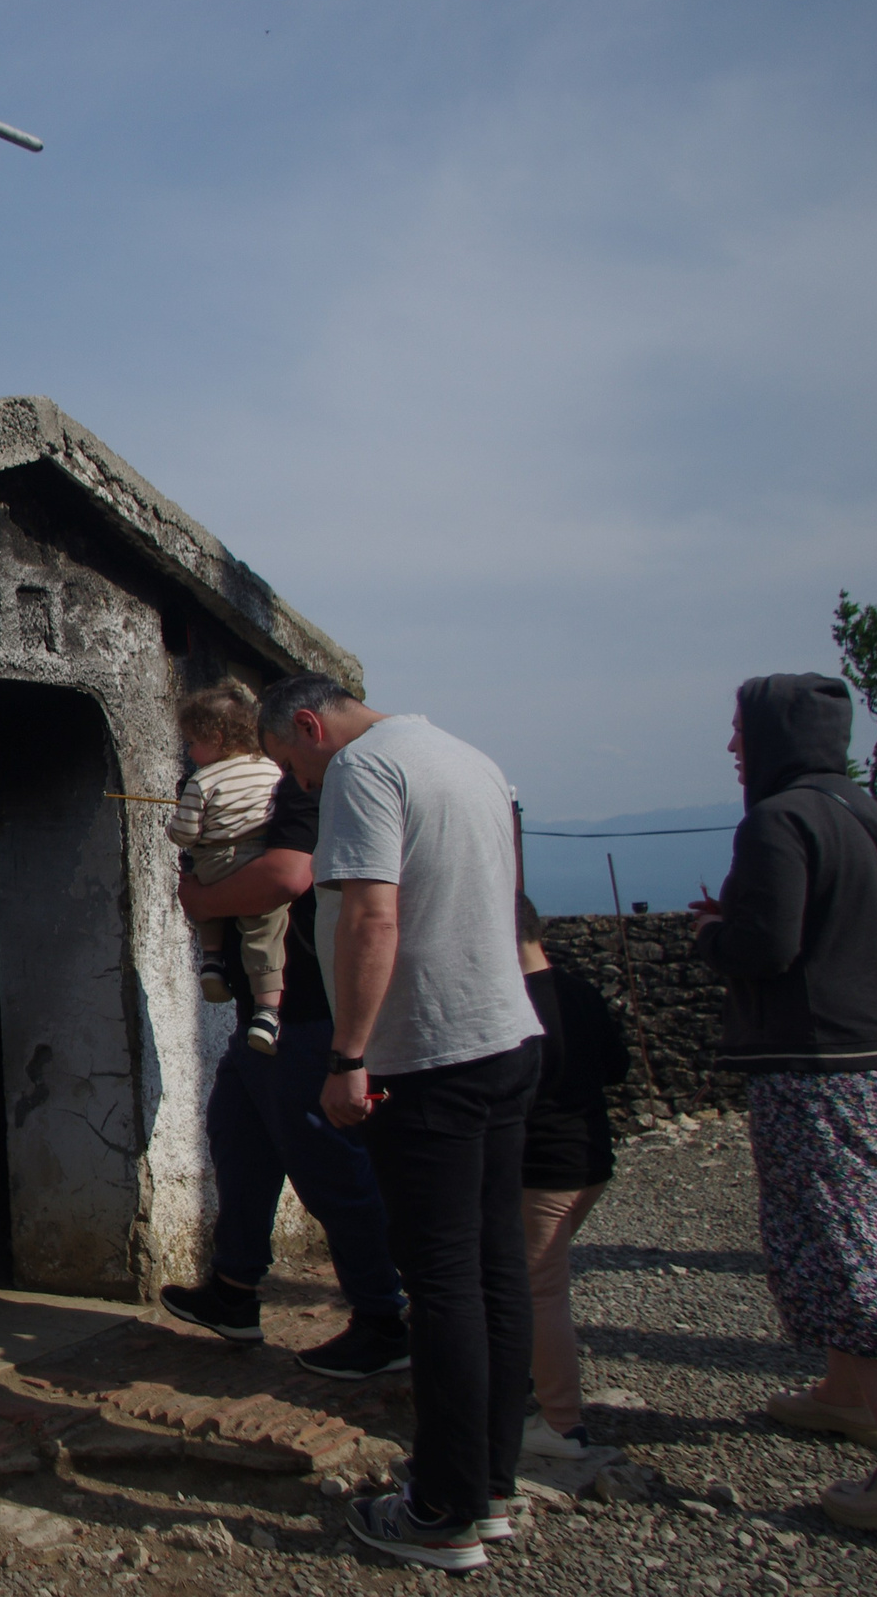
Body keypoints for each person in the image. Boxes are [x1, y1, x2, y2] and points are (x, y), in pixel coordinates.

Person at [260, 673, 543, 1573]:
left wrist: (349, 1056)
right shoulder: (470, 758)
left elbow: (371, 914)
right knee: (497, 1271)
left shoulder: (363, 772)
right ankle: (489, 1484)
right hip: (505, 1040)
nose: (299, 786)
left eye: (289, 763)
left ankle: (444, 1512)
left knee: (445, 1282)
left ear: (310, 725)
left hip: (429, 1058)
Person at [692, 674, 877, 1539]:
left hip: (829, 1061)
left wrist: (713, 937)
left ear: (773, 736)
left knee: (852, 1239)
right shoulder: (869, 814)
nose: (733, 748)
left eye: (740, 731)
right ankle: (847, 1394)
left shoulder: (779, 819)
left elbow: (768, 946)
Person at [159, 756, 409, 1383]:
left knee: (330, 1169)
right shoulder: (264, 791)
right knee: (238, 1141)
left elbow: (286, 877)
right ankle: (234, 1289)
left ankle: (384, 1320)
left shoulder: (295, 792)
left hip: (304, 1014)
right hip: (262, 1019)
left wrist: (201, 897)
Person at [513, 893, 629, 1462]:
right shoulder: (580, 991)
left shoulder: (510, 1006)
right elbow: (617, 1067)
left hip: (542, 1170)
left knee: (542, 1291)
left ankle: (562, 1423)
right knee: (531, 1282)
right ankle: (526, 1388)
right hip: (592, 1163)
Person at [169, 679, 287, 1054]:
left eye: (192, 742)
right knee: (265, 931)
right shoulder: (270, 769)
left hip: (216, 862)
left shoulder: (202, 780)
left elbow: (186, 834)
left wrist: (174, 827)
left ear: (216, 738)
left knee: (204, 899)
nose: (189, 750)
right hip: (257, 860)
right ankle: (267, 1014)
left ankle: (212, 961)